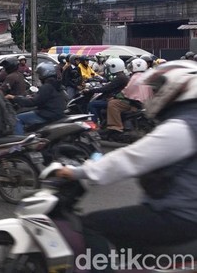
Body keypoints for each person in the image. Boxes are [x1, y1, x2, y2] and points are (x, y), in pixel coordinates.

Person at [55, 60, 197, 257]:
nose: (155, 94)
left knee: (92, 224)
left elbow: (131, 159)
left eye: (159, 89)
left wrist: (80, 172)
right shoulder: (188, 119)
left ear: (178, 88)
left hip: (179, 216)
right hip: (176, 209)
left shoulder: (182, 126)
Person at [7, 63, 68, 135]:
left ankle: (19, 144)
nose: (39, 77)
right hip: (56, 113)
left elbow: (33, 102)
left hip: (48, 114)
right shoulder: (57, 84)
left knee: (17, 119)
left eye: (40, 74)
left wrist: (14, 98)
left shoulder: (47, 86)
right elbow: (43, 98)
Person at [101, 57, 154, 141]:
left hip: (135, 103)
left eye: (132, 67)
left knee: (112, 104)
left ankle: (115, 127)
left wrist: (115, 96)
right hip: (145, 103)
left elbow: (126, 91)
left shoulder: (135, 77)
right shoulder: (147, 76)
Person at [84, 57, 129, 124]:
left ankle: (95, 124)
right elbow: (110, 85)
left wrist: (90, 90)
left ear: (115, 67)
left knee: (92, 104)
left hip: (118, 100)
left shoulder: (120, 78)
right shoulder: (122, 76)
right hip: (118, 98)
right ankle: (103, 122)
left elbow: (105, 89)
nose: (109, 69)